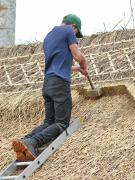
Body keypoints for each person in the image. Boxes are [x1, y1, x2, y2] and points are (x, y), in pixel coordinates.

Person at [12, 14, 89, 161]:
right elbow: (78, 56)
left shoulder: (49, 36)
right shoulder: (68, 31)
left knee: (49, 122)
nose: (75, 36)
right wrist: (84, 65)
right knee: (61, 123)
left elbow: (60, 64)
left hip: (48, 83)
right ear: (73, 26)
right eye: (76, 33)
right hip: (60, 84)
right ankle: (33, 141)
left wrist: (78, 69)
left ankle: (24, 140)